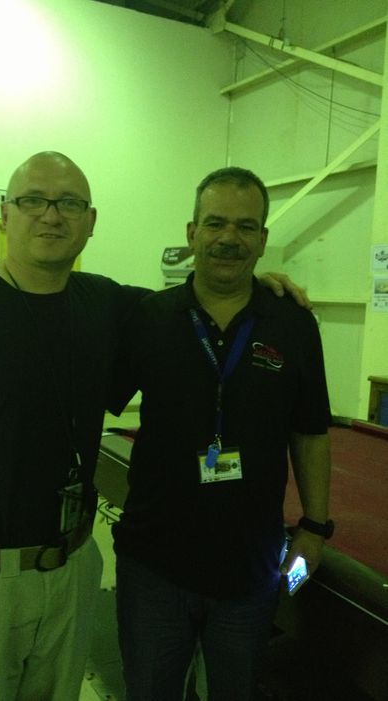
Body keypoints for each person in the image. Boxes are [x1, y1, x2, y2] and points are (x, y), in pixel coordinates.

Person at [0, 152, 310, 701]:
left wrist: (255, 284)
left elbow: (205, 300)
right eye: (34, 200)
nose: (51, 216)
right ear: (6, 214)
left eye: (69, 203)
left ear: (91, 221)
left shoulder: (109, 305)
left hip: (72, 570)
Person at [111, 167, 332, 701]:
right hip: (152, 567)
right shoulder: (150, 316)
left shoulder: (293, 322)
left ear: (262, 239)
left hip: (252, 571)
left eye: (245, 226)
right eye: (215, 224)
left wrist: (315, 528)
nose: (229, 238)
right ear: (191, 234)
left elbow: (310, 430)